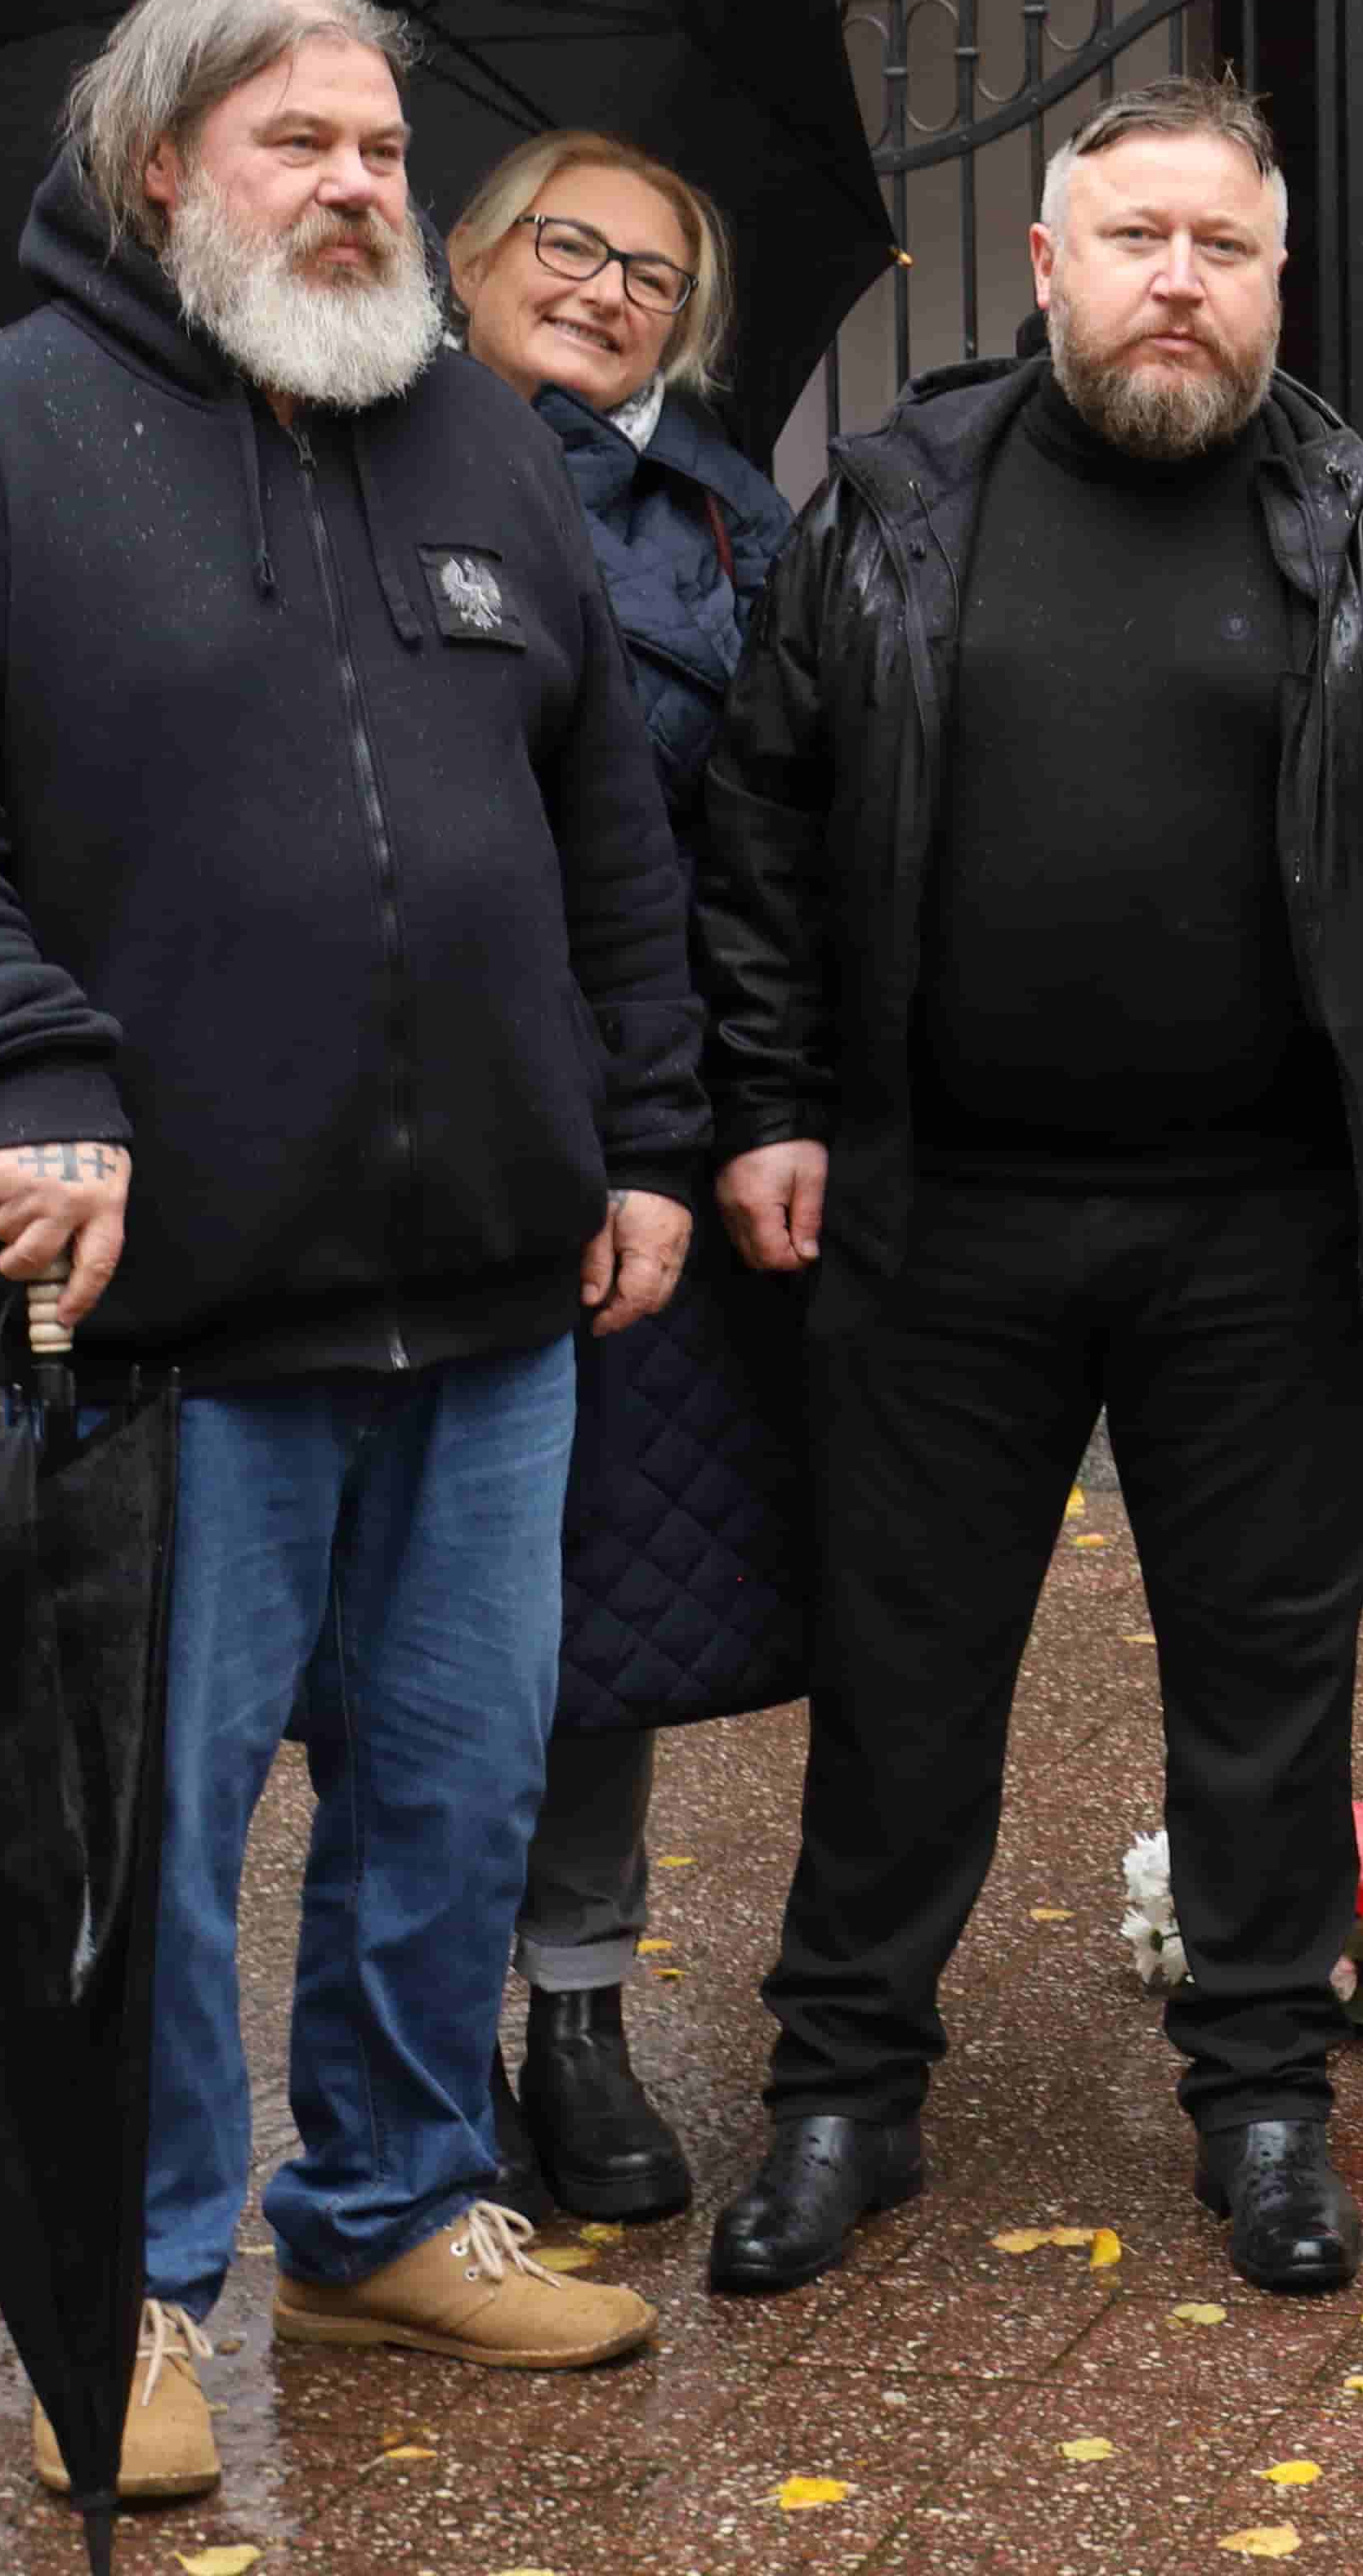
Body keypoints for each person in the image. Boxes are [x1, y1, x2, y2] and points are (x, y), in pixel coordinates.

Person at [0, 0, 695, 2505]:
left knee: (451, 1801)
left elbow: (606, 831)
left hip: (492, 1303)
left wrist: (642, 1131)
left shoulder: (482, 443)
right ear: (162, 159)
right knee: (150, 1847)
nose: (361, 185)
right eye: (303, 140)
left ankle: (385, 2211)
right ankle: (135, 2286)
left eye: (386, 147)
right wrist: (26, 1065)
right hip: (177, 1310)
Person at [690, 74, 1363, 2304]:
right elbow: (762, 827)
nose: (1180, 282)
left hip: (1256, 1224)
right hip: (936, 1218)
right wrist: (769, 1101)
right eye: (1139, 239)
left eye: (1223, 247)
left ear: (1279, 280)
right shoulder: (889, 511)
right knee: (904, 1675)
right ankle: (841, 2093)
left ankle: (1262, 2096)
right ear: (1050, 264)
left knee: (1267, 1684)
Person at [443, 127, 806, 2228]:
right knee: (402, 1616)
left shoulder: (730, 520)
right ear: (469, 260)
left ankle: (576, 2016)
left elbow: (778, 826)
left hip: (646, 1130)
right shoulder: (337, 459)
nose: (600, 288)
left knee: (606, 1604)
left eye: (650, 273)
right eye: (565, 246)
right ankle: (426, 2038)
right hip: (408, 1140)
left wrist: (738, 1112)